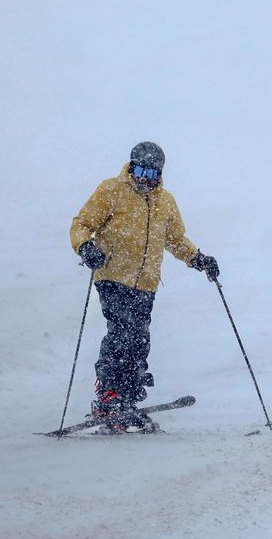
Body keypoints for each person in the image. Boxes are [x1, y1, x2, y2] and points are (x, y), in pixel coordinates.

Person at [70, 141, 219, 433]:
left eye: (152, 174)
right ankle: (108, 397)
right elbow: (82, 224)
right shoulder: (111, 190)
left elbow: (175, 240)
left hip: (146, 283)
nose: (145, 179)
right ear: (131, 168)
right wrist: (86, 247)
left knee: (139, 340)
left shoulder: (165, 201)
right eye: (140, 171)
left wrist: (198, 259)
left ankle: (127, 400)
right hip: (112, 275)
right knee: (122, 332)